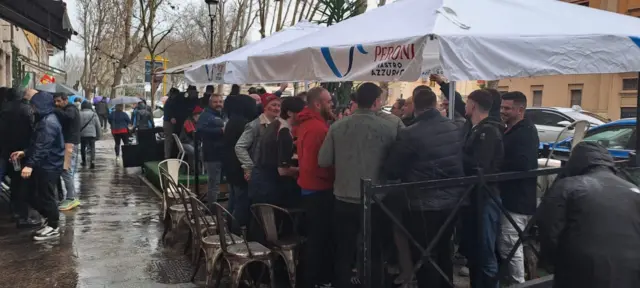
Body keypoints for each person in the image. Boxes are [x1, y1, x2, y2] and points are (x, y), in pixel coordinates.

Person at [319, 83, 397, 288]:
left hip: (344, 196)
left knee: (344, 250)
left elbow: (324, 160)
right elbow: (398, 162)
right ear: (377, 102)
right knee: (375, 250)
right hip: (376, 198)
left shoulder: (337, 126)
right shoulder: (389, 127)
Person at [385, 89, 465, 288]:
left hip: (423, 202)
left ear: (415, 108)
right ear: (436, 103)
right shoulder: (454, 127)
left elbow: (392, 169)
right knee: (444, 249)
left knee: (424, 253)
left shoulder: (410, 133)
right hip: (453, 201)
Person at [538, 142, 640, 288]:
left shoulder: (567, 186)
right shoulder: (634, 190)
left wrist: (554, 262)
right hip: (630, 273)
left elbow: (549, 229)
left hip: (582, 272)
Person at [459, 89, 504, 288]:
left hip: (485, 197)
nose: (465, 106)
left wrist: (457, 157)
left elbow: (480, 165)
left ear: (473, 105)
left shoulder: (489, 131)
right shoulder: (476, 128)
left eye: (467, 102)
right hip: (475, 197)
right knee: (476, 250)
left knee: (486, 251)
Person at [10, 91, 65, 241]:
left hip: (49, 166)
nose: (32, 109)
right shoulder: (44, 120)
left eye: (34, 105)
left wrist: (30, 165)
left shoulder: (48, 123)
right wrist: (25, 152)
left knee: (46, 196)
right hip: (46, 165)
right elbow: (37, 145)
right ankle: (50, 220)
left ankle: (54, 226)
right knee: (36, 194)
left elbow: (42, 147)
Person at [497, 91, 539, 284]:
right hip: (514, 198)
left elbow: (524, 164)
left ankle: (519, 282)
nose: (502, 111)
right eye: (502, 107)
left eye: (507, 108)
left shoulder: (525, 132)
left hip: (518, 201)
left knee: (510, 245)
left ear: (520, 110)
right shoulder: (513, 129)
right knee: (512, 244)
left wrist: (497, 163)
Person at [296, 87, 335, 288]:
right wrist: (335, 176)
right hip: (319, 190)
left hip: (310, 187)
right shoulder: (317, 129)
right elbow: (317, 164)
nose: (332, 105)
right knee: (319, 239)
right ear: (318, 104)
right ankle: (316, 280)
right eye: (329, 102)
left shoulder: (307, 124)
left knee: (316, 237)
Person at [235, 94, 280, 228]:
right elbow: (240, 146)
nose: (277, 108)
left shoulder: (279, 124)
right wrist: (249, 166)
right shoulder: (255, 125)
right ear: (265, 107)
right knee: (258, 208)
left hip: (272, 173)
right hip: (259, 174)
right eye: (273, 105)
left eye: (278, 105)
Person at [1, 87, 39, 228]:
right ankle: (22, 216)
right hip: (23, 152)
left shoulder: (4, 109)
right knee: (23, 184)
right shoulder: (27, 109)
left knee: (14, 182)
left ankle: (14, 210)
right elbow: (32, 129)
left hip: (7, 152)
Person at [222, 94, 258, 224]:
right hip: (239, 168)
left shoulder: (232, 121)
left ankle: (229, 227)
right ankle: (238, 233)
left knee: (233, 199)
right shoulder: (243, 124)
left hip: (231, 168)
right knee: (241, 203)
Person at [196, 94, 225, 209]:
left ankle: (216, 206)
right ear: (210, 103)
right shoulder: (206, 115)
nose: (218, 104)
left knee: (219, 182)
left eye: (220, 101)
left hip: (223, 153)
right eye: (215, 102)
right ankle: (212, 210)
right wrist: (220, 131)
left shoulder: (223, 114)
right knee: (214, 183)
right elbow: (199, 130)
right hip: (212, 153)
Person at [53, 93, 81, 211]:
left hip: (70, 143)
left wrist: (54, 110)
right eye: (55, 101)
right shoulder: (68, 109)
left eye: (59, 101)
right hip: (68, 143)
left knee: (66, 170)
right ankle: (70, 196)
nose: (57, 104)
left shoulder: (71, 109)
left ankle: (71, 198)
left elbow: (67, 117)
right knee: (67, 171)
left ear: (65, 100)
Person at [79, 101, 102, 169]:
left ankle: (84, 161)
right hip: (92, 134)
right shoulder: (93, 114)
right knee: (92, 148)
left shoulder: (79, 114)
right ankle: (92, 161)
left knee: (83, 148)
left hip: (82, 134)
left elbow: (77, 125)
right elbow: (98, 125)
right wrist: (99, 135)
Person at [163, 88, 180, 158]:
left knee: (169, 140)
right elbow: (170, 113)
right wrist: (172, 118)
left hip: (167, 122)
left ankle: (168, 156)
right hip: (169, 123)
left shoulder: (169, 101)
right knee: (169, 140)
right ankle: (167, 156)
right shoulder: (170, 102)